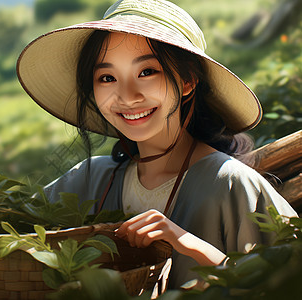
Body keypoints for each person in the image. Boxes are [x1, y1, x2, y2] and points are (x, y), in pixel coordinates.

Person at [16, 0, 298, 289]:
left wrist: (187, 243)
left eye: (147, 72)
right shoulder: (87, 180)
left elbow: (286, 280)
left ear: (187, 80)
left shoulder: (230, 184)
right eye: (107, 78)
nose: (126, 96)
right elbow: (6, 235)